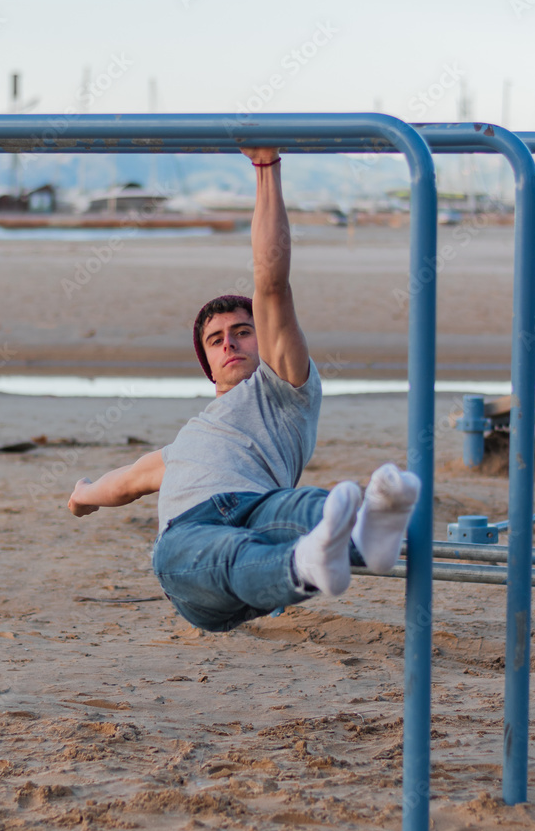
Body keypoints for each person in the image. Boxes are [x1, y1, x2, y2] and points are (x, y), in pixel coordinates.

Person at [68, 147, 420, 633]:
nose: (230, 342)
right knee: (222, 550)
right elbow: (125, 483)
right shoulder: (182, 447)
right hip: (190, 542)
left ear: (264, 340)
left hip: (260, 511)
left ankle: (366, 533)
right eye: (217, 339)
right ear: (209, 365)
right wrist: (82, 495)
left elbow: (271, 282)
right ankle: (310, 561)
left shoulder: (283, 386)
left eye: (243, 331)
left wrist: (266, 168)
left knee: (304, 507)